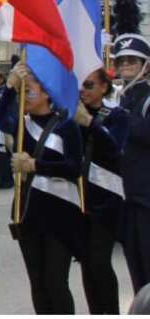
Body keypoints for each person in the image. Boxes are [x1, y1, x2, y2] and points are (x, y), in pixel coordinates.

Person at [0, 62, 85, 314]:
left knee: (55, 282)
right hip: (29, 212)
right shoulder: (21, 124)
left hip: (60, 212)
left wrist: (36, 165)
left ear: (46, 92)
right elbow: (0, 118)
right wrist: (9, 87)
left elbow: (73, 168)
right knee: (38, 283)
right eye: (22, 89)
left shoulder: (66, 125)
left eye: (29, 88)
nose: (25, 93)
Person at [76, 65, 129, 314]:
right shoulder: (73, 114)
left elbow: (114, 148)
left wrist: (90, 124)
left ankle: (112, 311)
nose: (82, 90)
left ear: (104, 87)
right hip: (78, 198)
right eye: (81, 85)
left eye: (89, 85)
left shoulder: (117, 115)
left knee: (99, 261)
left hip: (106, 199)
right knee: (86, 263)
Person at [119, 29, 150, 296]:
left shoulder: (146, 98)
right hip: (125, 195)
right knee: (136, 269)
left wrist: (120, 117)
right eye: (122, 60)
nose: (126, 65)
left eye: (132, 60)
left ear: (145, 65)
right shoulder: (120, 97)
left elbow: (144, 133)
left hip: (147, 197)